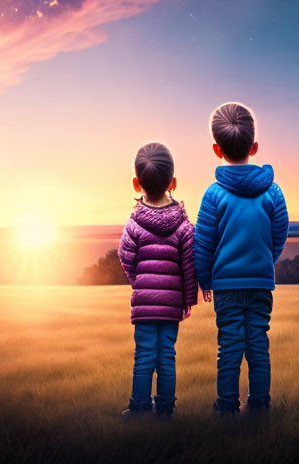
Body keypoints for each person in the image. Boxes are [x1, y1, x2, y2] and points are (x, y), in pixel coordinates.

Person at [194, 102, 289, 414]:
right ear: (255, 146)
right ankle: (260, 405)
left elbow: (204, 242)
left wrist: (206, 279)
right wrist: (264, 262)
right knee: (259, 345)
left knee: (230, 348)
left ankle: (227, 407)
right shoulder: (273, 193)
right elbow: (279, 236)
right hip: (261, 282)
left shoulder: (213, 194)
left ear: (216, 149)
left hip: (226, 286)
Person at [118, 142, 197, 419]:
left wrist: (138, 281)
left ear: (136, 184)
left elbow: (124, 255)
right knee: (167, 357)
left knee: (143, 358)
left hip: (144, 304)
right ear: (173, 182)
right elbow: (190, 266)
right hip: (171, 306)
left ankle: (139, 408)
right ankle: (166, 409)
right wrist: (188, 299)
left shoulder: (134, 224)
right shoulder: (185, 226)